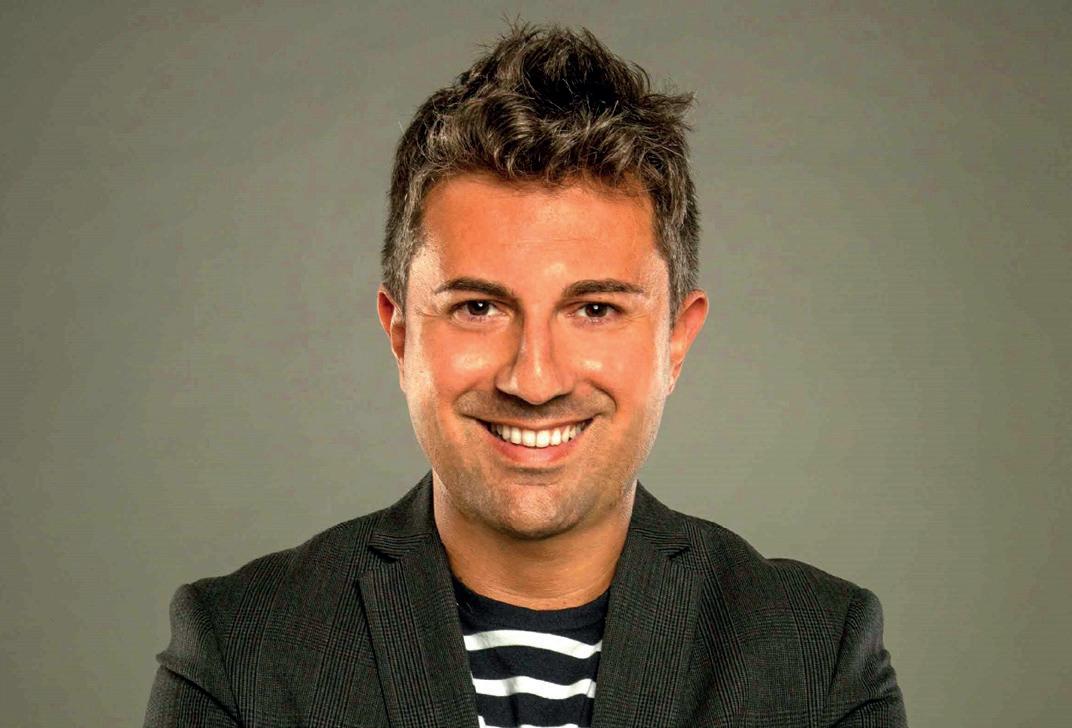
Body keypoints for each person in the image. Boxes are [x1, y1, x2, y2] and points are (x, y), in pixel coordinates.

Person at [144, 24, 907, 728]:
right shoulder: (241, 650)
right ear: (400, 334)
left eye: (596, 309)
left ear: (676, 341)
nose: (534, 381)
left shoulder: (817, 658)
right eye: (478, 307)